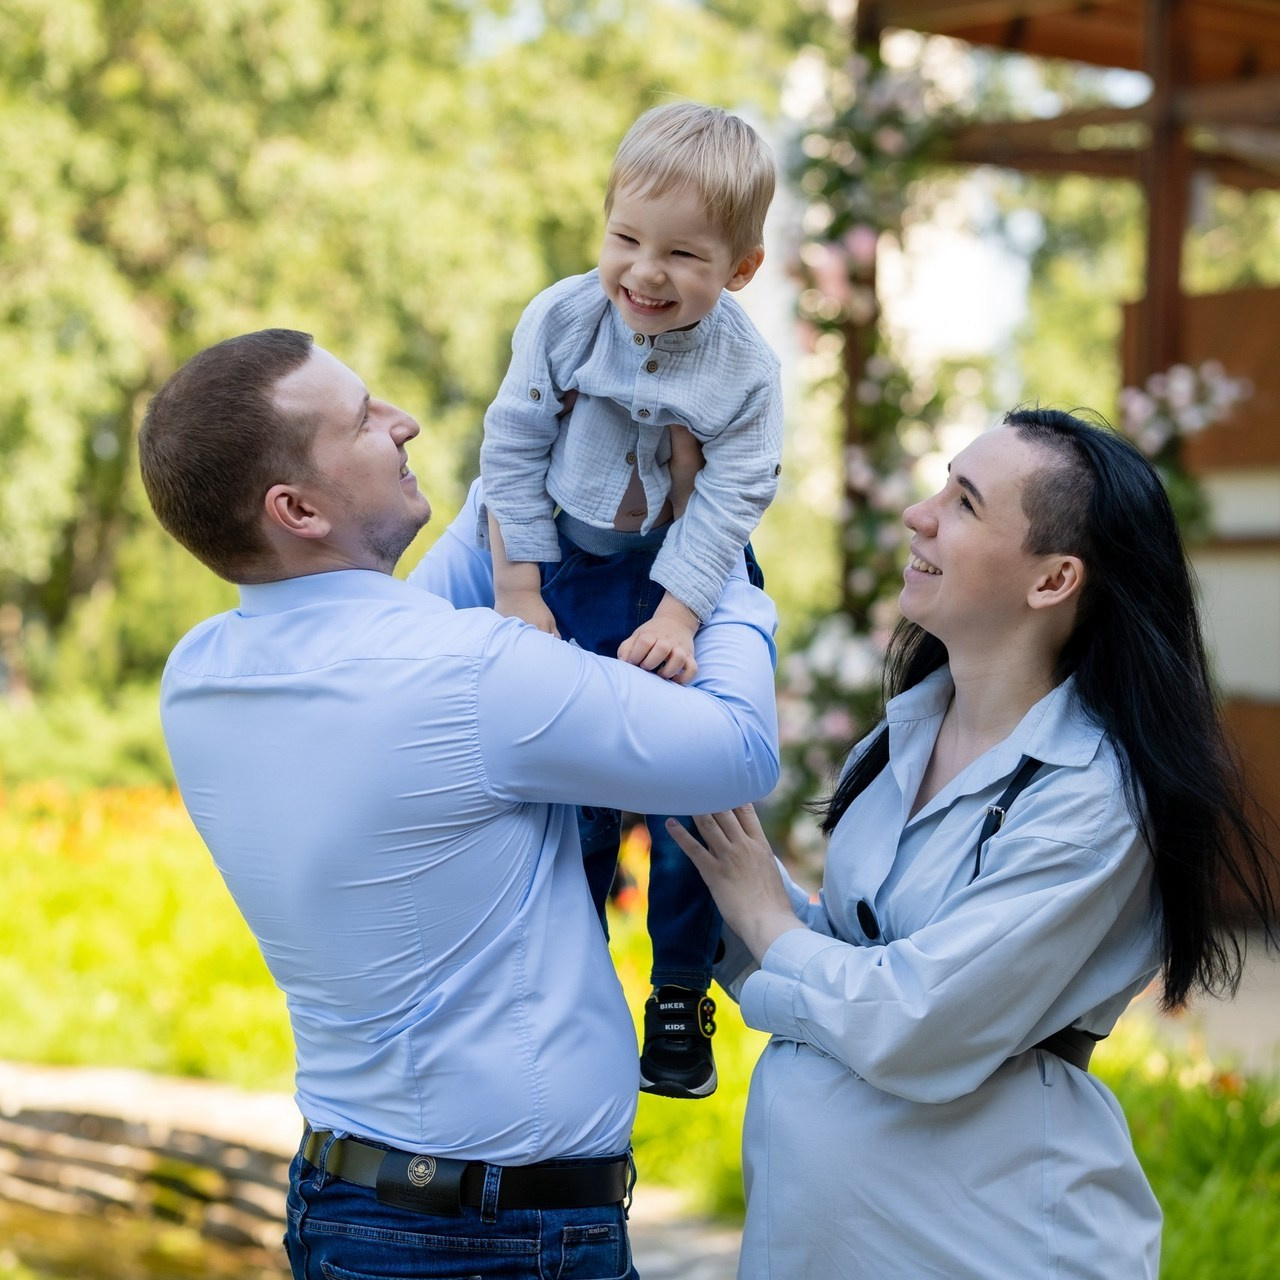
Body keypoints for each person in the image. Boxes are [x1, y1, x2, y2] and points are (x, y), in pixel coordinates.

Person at [137, 328, 780, 1280]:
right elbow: (737, 749)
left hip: (354, 1207)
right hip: (492, 1241)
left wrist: (558, 419)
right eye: (362, 420)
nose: (404, 423)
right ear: (298, 508)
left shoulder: (201, 675)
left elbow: (445, 590)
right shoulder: (466, 677)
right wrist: (712, 555)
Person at [666, 407, 1277, 1278]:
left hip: (992, 1250)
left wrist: (771, 929)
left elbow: (919, 1021)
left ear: (1053, 580)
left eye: (964, 502)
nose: (919, 514)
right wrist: (709, 867)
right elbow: (844, 965)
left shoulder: (1093, 794)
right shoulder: (897, 740)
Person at [480, 99, 783, 1099]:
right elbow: (510, 447)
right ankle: (564, 981)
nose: (644, 274)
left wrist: (679, 613)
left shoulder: (744, 369)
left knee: (689, 786)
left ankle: (679, 991)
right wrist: (520, 587)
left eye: (684, 256)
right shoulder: (563, 318)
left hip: (679, 568)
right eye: (625, 239)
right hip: (563, 564)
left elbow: (736, 490)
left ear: (740, 268)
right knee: (573, 788)